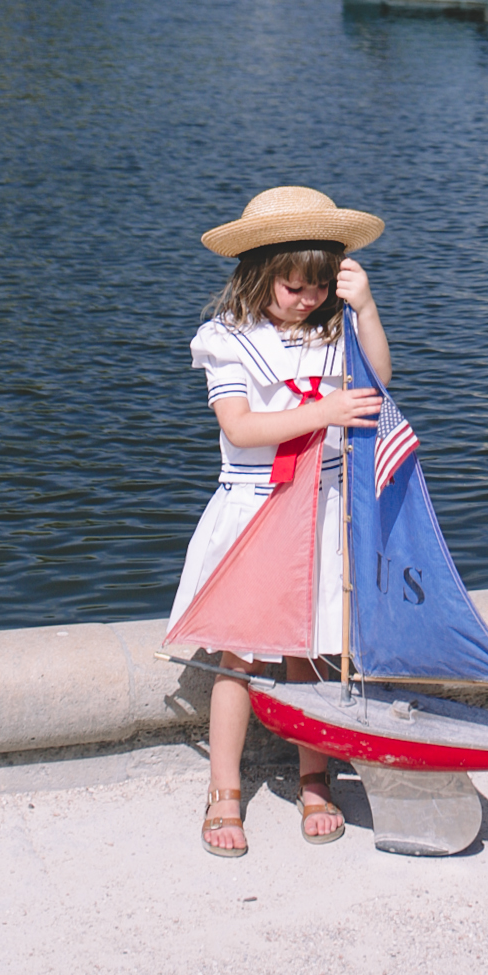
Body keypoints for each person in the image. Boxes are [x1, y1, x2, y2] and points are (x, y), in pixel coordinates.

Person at [172, 185, 391, 859]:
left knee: (310, 650)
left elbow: (377, 389)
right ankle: (223, 790)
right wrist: (323, 413)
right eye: (294, 287)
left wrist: (364, 308)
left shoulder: (335, 329)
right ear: (260, 274)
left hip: (322, 505)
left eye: (318, 288)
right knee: (239, 655)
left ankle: (316, 776)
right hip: (256, 504)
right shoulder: (226, 340)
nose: (306, 299)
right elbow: (240, 426)